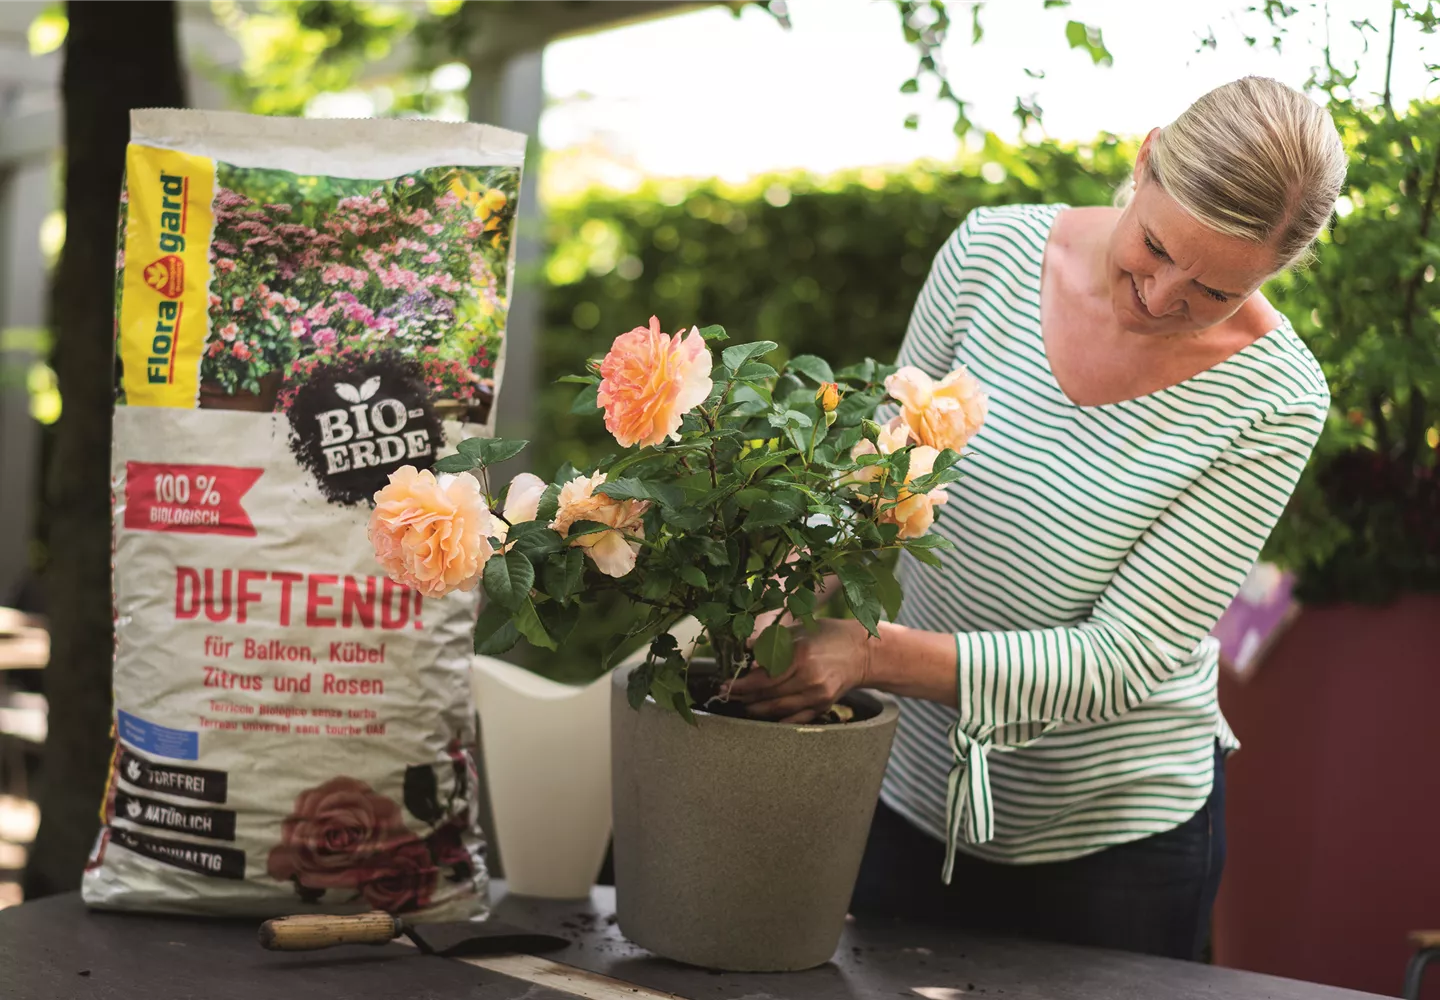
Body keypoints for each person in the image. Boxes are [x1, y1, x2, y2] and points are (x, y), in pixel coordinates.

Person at [726, 76, 1346, 962]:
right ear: (1145, 159)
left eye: (1214, 292)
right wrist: (784, 601)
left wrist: (866, 653)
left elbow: (1120, 659)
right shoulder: (991, 255)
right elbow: (871, 477)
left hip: (1115, 839)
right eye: (1157, 246)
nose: (1163, 297)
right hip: (903, 781)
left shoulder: (1275, 397)